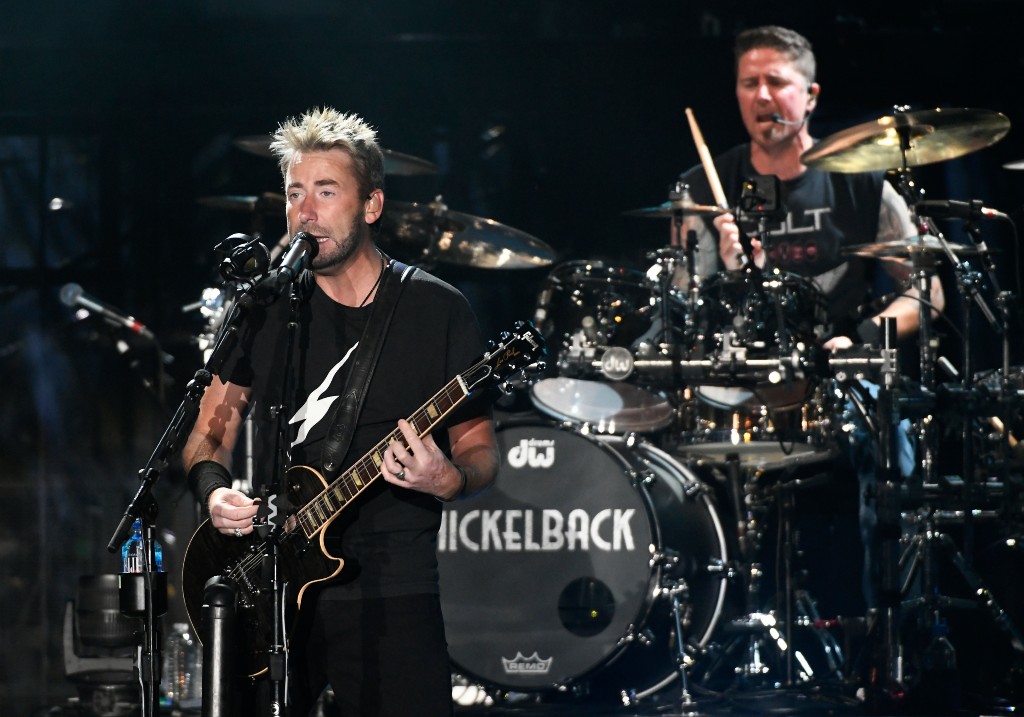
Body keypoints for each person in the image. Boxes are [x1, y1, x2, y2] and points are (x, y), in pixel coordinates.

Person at [182, 107, 499, 716]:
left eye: (325, 192)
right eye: (295, 193)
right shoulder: (262, 311)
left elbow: (480, 447)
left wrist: (450, 479)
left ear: (371, 206)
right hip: (273, 587)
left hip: (394, 586)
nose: (306, 211)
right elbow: (206, 436)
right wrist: (214, 493)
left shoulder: (437, 310)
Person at [674, 26, 945, 610]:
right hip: (741, 384)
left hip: (837, 378)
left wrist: (863, 338)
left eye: (777, 82)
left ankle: (882, 625)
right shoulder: (703, 189)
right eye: (750, 84)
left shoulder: (862, 181)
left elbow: (928, 294)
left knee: (891, 442)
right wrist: (728, 274)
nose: (763, 96)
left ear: (811, 94)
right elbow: (682, 312)